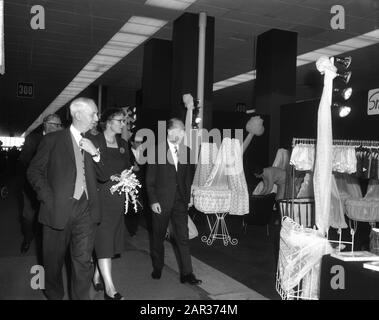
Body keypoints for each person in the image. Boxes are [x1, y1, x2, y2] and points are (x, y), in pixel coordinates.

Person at [27, 97, 105, 300]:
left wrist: (95, 154)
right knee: (52, 263)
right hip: (57, 210)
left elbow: (103, 176)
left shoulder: (94, 140)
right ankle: (55, 295)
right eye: (93, 113)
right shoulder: (52, 140)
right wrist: (47, 198)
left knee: (83, 263)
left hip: (86, 211)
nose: (97, 118)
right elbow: (34, 171)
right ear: (78, 114)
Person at [146, 118, 202, 285]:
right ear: (170, 132)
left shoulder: (187, 150)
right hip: (161, 202)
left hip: (180, 202)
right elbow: (149, 180)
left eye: (183, 130)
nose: (183, 133)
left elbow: (187, 178)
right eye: (180, 130)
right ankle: (157, 267)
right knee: (157, 236)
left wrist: (189, 198)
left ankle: (187, 274)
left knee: (183, 237)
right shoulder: (156, 151)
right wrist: (153, 201)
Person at [91, 108, 132, 300]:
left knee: (109, 240)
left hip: (117, 199)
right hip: (100, 197)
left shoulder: (123, 144)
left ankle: (98, 273)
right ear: (108, 122)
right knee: (104, 238)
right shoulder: (95, 142)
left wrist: (127, 178)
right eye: (120, 120)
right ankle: (110, 288)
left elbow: (128, 168)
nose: (123, 124)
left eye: (124, 121)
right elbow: (92, 170)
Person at [18, 114, 63, 253]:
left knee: (46, 216)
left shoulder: (61, 140)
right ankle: (27, 238)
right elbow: (25, 164)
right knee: (28, 216)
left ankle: (45, 244)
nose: (61, 128)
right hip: (32, 186)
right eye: (58, 125)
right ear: (48, 125)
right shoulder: (33, 139)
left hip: (52, 186)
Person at [125, 133, 145, 237]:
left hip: (140, 184)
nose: (140, 144)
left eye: (141, 142)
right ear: (131, 142)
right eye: (137, 142)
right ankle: (131, 228)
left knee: (138, 206)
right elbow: (124, 166)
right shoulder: (127, 152)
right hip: (130, 183)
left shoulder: (143, 153)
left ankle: (134, 227)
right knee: (131, 206)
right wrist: (132, 168)